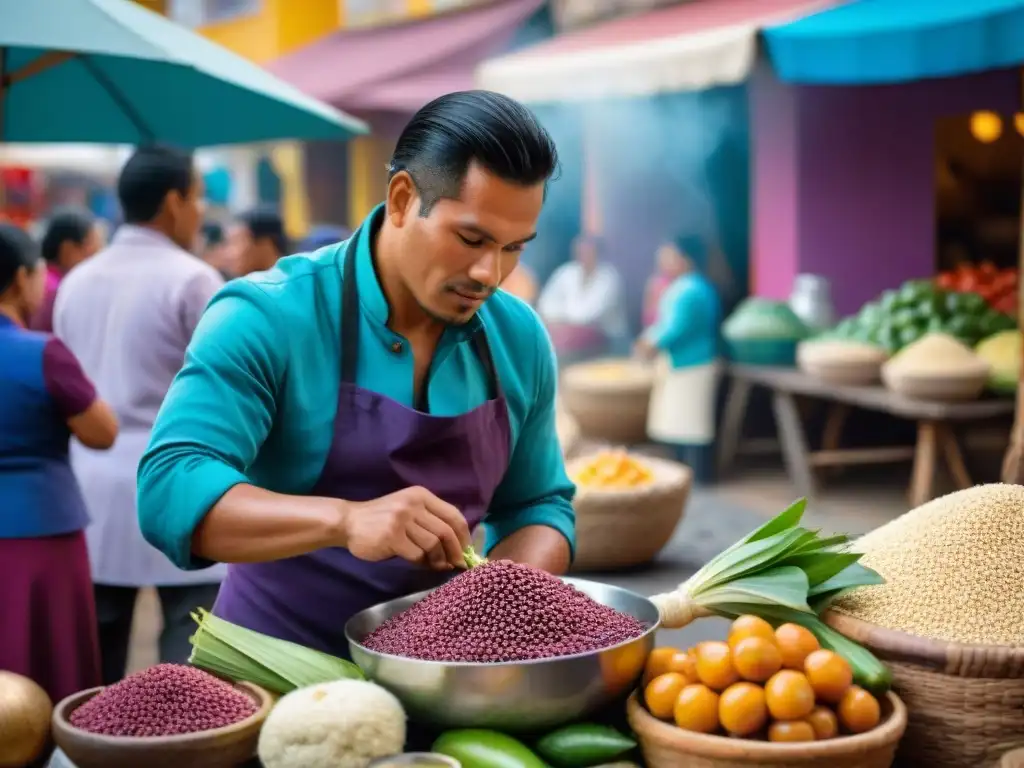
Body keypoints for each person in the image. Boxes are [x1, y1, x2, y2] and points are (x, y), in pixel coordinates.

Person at [136, 90, 576, 655]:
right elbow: (169, 485)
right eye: (471, 239)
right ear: (400, 199)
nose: (489, 273)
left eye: (513, 247)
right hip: (279, 666)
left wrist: (491, 608)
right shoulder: (268, 315)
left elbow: (540, 505)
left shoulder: (518, 338)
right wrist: (344, 520)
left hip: (447, 674)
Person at [54, 145, 227, 684]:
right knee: (188, 650)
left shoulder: (78, 279)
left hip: (91, 483)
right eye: (198, 198)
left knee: (97, 658)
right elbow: (226, 391)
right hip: (177, 480)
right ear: (174, 201)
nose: (200, 212)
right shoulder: (194, 279)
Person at [0, 222, 118, 704]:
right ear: (21, 279)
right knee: (51, 658)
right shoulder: (42, 354)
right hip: (45, 527)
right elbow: (102, 432)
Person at [634, 234, 722, 484]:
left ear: (685, 259)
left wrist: (648, 343)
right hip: (686, 364)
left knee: (692, 426)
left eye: (669, 256)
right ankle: (689, 474)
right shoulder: (691, 286)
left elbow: (674, 327)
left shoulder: (689, 290)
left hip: (692, 364)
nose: (663, 261)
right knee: (684, 423)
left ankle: (697, 477)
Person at [537, 235, 627, 365]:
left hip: (607, 340)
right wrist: (559, 322)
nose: (584, 256)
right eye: (581, 252)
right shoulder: (566, 272)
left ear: (597, 254)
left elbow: (586, 315)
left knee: (565, 344)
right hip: (570, 336)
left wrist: (560, 320)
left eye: (588, 252)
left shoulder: (609, 278)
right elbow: (545, 304)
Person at [28, 207, 103, 332]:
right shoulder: (54, 290)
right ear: (68, 249)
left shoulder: (48, 280)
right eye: (93, 247)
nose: (99, 256)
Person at [227, 206, 288, 276]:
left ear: (265, 245)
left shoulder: (296, 283)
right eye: (229, 243)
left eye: (238, 241)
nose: (229, 253)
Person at [642, 240, 681, 330]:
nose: (666, 262)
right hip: (655, 332)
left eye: (670, 257)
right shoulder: (654, 283)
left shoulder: (683, 284)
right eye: (662, 258)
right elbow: (647, 315)